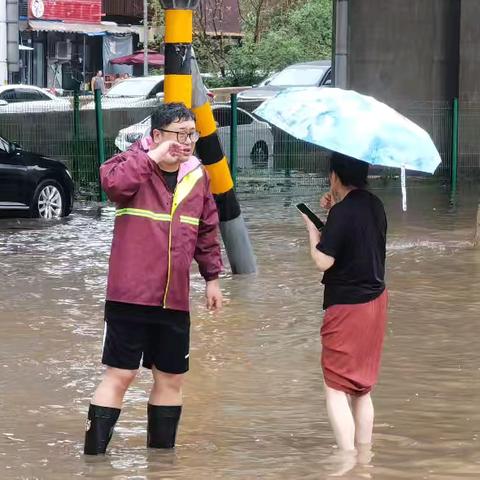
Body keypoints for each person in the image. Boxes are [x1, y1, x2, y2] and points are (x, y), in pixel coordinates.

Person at [84, 103, 223, 455]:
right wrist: (152, 156)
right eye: (180, 134)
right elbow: (112, 185)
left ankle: (161, 466)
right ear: (157, 135)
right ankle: (94, 460)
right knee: (122, 374)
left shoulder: (197, 175)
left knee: (171, 377)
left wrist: (212, 278)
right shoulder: (131, 164)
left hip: (173, 298)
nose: (188, 141)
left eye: (192, 134)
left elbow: (207, 229)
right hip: (129, 295)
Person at [302, 152, 388, 452]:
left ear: (335, 176)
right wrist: (335, 209)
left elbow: (323, 260)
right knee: (362, 389)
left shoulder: (343, 212)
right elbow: (357, 242)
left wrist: (313, 231)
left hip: (347, 306)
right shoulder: (375, 205)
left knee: (336, 386)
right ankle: (364, 458)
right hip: (376, 302)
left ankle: (346, 462)